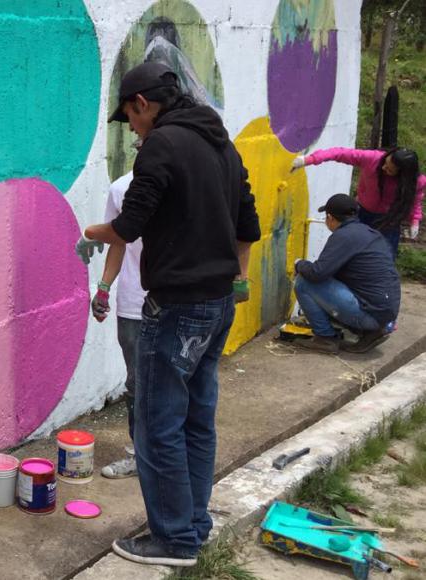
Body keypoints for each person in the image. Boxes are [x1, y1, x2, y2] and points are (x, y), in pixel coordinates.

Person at [81, 61, 261, 567]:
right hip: (219, 301)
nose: (133, 129)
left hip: (179, 306)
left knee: (158, 423)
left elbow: (130, 223)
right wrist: (237, 278)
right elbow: (248, 222)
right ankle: (193, 524)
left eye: (130, 118)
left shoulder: (163, 143)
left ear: (142, 103)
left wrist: (90, 233)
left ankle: (173, 539)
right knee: (197, 419)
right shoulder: (219, 142)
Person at [90, 167, 147, 480]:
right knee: (136, 383)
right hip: (133, 303)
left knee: (173, 384)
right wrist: (103, 288)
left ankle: (165, 455)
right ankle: (142, 455)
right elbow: (118, 242)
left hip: (173, 300)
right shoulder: (121, 189)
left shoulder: (184, 176)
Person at [293, 194, 401, 354]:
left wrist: (299, 264)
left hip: (371, 314)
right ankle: (370, 332)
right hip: (386, 313)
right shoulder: (370, 233)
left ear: (329, 217)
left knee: (304, 282)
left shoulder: (343, 236)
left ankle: (325, 338)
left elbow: (317, 273)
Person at [293, 147, 424, 258]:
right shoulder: (372, 159)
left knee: (384, 256)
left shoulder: (416, 182)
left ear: (402, 174)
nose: (383, 167)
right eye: (385, 162)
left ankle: (380, 284)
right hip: (361, 213)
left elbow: (414, 200)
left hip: (388, 220)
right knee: (349, 251)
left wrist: (415, 220)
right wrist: (308, 160)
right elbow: (339, 153)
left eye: (389, 169)